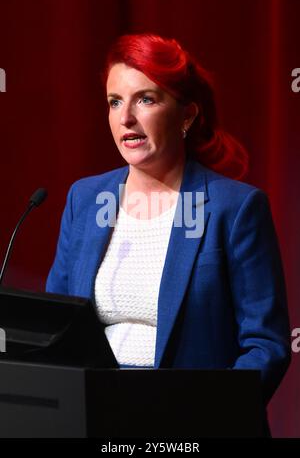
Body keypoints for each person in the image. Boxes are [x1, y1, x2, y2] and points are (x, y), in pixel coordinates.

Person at [46, 34, 290, 412]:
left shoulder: (235, 208)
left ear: (186, 115)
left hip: (191, 417)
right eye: (115, 102)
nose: (126, 117)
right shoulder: (86, 199)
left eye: (145, 99)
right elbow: (54, 326)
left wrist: (203, 412)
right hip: (92, 412)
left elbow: (266, 346)